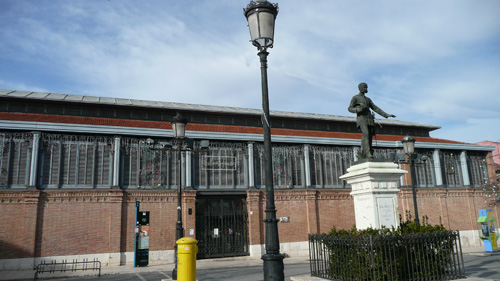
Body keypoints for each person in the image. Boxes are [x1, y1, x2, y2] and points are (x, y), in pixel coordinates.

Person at [348, 82, 396, 159]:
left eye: (366, 87)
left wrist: (386, 115)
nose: (366, 89)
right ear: (360, 88)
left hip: (369, 119)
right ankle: (367, 153)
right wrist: (358, 109)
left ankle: (367, 151)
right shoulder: (355, 98)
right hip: (362, 119)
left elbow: (375, 108)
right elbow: (350, 108)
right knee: (366, 133)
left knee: (369, 136)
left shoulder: (368, 99)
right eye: (364, 87)